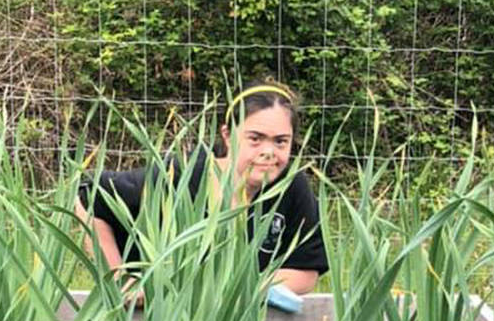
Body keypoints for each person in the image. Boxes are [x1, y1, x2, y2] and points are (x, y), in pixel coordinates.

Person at [75, 81, 328, 305]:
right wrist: (119, 279)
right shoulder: (181, 176)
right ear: (228, 135)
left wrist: (239, 289)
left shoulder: (292, 187)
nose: (269, 151)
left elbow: (305, 272)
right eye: (255, 139)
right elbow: (89, 196)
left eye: (281, 141)